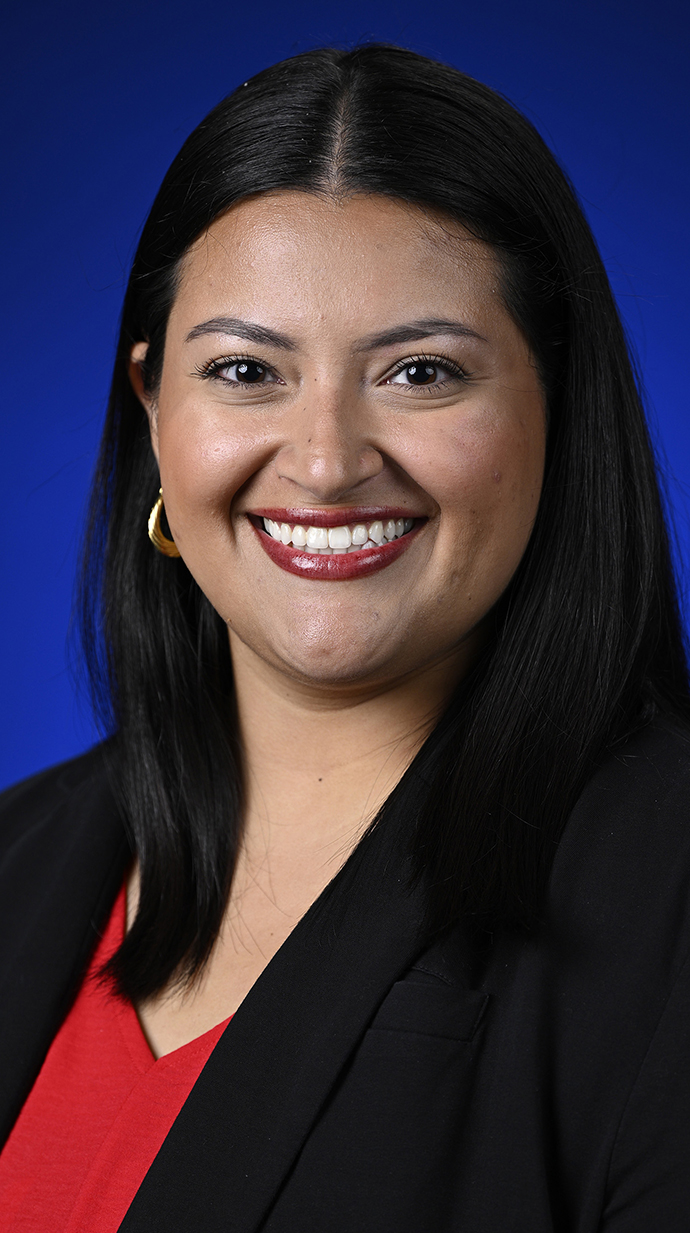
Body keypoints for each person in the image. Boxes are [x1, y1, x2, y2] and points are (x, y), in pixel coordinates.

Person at [1, 42, 689, 1233]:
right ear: (154, 407)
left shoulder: (667, 893)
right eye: (245, 370)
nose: (325, 464)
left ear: (557, 402)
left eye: (421, 372)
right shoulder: (19, 860)